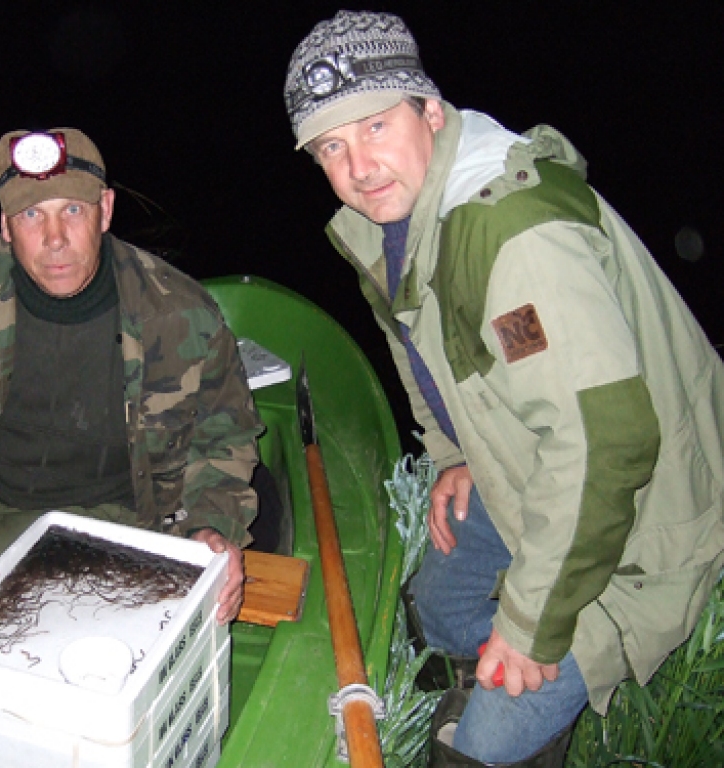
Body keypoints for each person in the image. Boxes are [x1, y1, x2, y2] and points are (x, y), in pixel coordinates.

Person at [285, 11, 724, 767]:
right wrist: (456, 453)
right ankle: (487, 675)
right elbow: (425, 357)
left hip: (650, 513)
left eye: (376, 126)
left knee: (481, 750)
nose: (359, 167)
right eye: (332, 146)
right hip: (530, 467)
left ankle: (512, 700)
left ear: (429, 111)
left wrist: (529, 630)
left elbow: (608, 445)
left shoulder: (514, 237)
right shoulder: (387, 228)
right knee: (437, 610)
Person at [0, 127, 263, 768]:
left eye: (73, 211)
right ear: (5, 227)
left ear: (105, 211)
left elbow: (225, 434)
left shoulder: (179, 309)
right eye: (31, 215)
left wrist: (211, 529)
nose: (55, 238)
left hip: (112, 514)